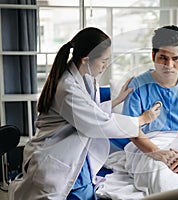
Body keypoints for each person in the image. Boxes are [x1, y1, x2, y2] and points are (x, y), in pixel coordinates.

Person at [8, 27, 161, 200]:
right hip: (56, 160)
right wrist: (141, 119)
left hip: (76, 160)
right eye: (103, 61)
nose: (105, 66)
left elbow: (90, 112)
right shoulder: (68, 88)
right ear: (86, 60)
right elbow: (96, 124)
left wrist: (117, 100)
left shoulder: (86, 79)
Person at [115, 25, 178, 194]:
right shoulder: (138, 86)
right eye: (163, 58)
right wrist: (157, 153)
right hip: (149, 145)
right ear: (153, 56)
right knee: (160, 174)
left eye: (175, 59)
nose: (168, 65)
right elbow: (132, 130)